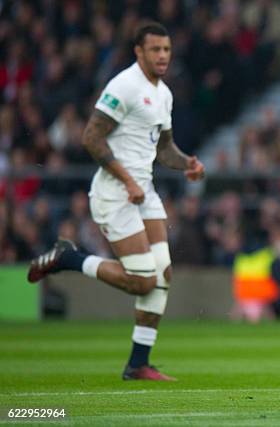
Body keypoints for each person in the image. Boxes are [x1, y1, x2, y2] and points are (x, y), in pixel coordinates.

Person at [27, 22, 205, 381]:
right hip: (115, 193)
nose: (162, 56)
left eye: (167, 50)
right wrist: (126, 179)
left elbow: (163, 147)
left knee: (162, 275)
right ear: (138, 51)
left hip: (144, 192)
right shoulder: (124, 86)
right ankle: (69, 258)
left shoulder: (164, 94)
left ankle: (138, 363)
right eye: (155, 50)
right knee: (143, 281)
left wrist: (186, 163)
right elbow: (91, 137)